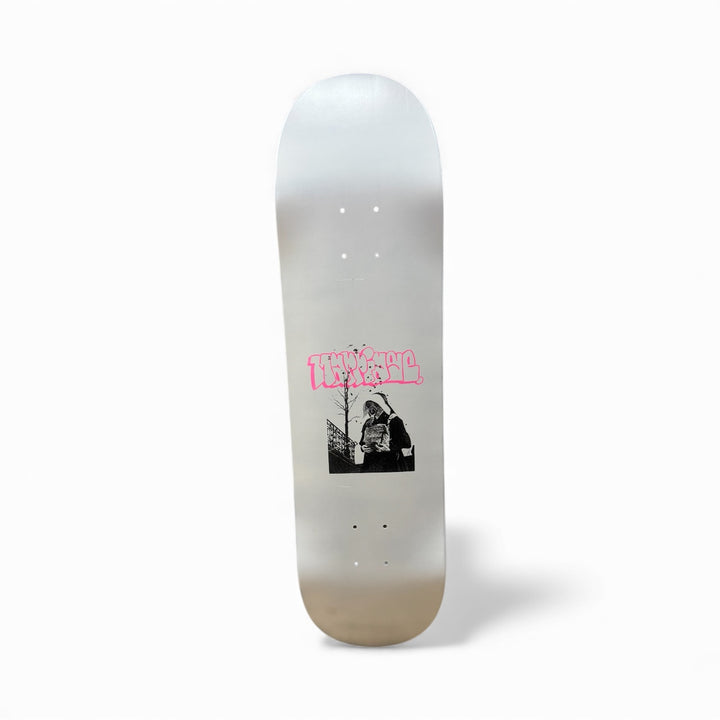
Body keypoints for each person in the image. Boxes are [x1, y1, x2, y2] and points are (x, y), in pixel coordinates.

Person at [359, 392, 412, 472]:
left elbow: (407, 443)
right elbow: (362, 442)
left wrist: (389, 448)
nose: (370, 408)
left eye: (372, 405)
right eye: (368, 405)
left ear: (380, 404)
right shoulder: (368, 422)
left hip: (389, 462)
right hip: (370, 464)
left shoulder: (394, 420)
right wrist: (363, 448)